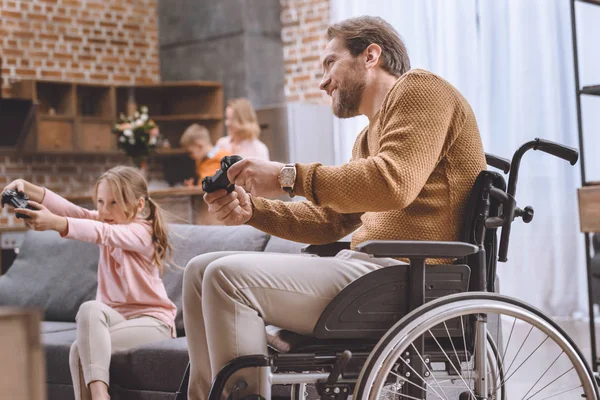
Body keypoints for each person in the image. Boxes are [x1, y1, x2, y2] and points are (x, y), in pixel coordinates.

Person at [182, 16, 487, 400]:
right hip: (372, 273)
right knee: (198, 269)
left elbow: (394, 182)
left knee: (226, 276)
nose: (323, 81)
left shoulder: (422, 90)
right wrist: (253, 210)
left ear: (371, 55)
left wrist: (287, 177)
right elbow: (330, 221)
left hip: (412, 278)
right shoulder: (366, 138)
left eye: (330, 63)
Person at [2, 167, 176, 400]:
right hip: (116, 319)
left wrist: (56, 223)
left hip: (152, 322)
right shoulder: (107, 220)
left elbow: (101, 232)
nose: (104, 210)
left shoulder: (141, 233)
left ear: (139, 205)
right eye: (101, 202)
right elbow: (72, 211)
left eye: (114, 203)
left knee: (79, 350)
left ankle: (99, 396)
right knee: (89, 308)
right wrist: (28, 187)